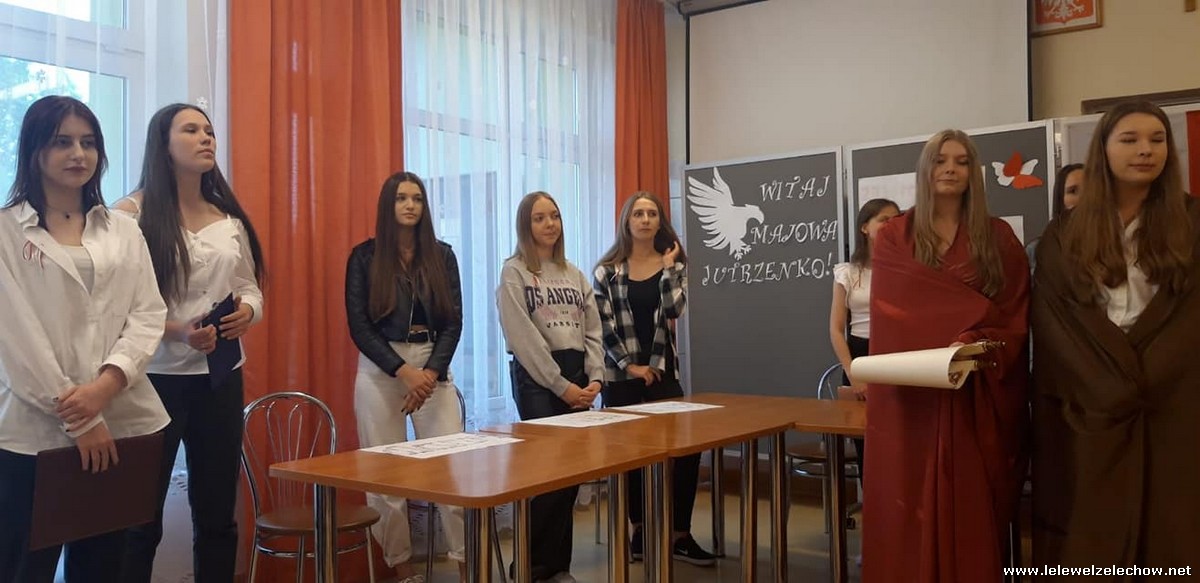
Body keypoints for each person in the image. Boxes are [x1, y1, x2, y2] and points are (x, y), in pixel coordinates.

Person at [0, 96, 169, 582]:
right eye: (62, 142)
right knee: (24, 567)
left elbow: (147, 313)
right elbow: (16, 338)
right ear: (34, 150)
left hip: (123, 421)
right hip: (32, 434)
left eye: (89, 142)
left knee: (105, 566)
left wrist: (106, 385)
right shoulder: (7, 231)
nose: (78, 153)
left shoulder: (123, 229)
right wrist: (81, 417)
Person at [1032, 101, 1200, 574]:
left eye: (1157, 139)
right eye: (1130, 140)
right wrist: (1108, 385)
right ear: (1103, 149)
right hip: (1090, 408)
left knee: (1173, 528)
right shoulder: (1064, 233)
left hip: (1174, 404)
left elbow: (1192, 317)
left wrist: (1151, 376)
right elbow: (1055, 323)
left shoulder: (1193, 223)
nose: (1146, 150)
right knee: (1091, 535)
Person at [863, 129, 1030, 582]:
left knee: (974, 504)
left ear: (973, 172)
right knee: (910, 498)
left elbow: (1014, 313)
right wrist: (962, 325)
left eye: (961, 161)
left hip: (977, 390)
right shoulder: (895, 236)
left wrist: (976, 337)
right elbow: (896, 313)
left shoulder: (998, 236)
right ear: (925, 169)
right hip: (915, 398)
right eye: (940, 160)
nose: (951, 169)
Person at [116, 103, 266, 583]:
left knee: (218, 514)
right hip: (152, 379)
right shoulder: (129, 215)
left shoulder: (229, 218)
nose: (206, 138)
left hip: (220, 377)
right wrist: (177, 330)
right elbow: (114, 306)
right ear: (163, 144)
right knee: (140, 519)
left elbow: (250, 288)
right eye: (191, 130)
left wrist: (247, 312)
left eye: (209, 131)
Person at [345, 171, 466, 583]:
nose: (410, 205)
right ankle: (404, 571)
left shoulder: (442, 256)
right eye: (401, 198)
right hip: (381, 370)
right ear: (388, 205)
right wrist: (404, 372)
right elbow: (359, 326)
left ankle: (469, 566)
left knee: (453, 472)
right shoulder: (364, 258)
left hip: (432, 364)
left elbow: (453, 321)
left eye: (416, 198)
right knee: (385, 479)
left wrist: (428, 374)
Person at [592, 192, 715, 566]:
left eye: (651, 214)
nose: (645, 219)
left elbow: (675, 310)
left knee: (688, 448)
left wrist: (668, 268)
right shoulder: (607, 271)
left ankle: (679, 534)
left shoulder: (673, 264)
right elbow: (602, 325)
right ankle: (640, 530)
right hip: (621, 374)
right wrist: (630, 365)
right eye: (638, 214)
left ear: (660, 221)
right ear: (627, 221)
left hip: (663, 369)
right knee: (630, 455)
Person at [496, 191, 604, 583]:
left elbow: (593, 330)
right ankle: (527, 565)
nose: (550, 224)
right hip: (538, 380)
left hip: (577, 375)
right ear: (526, 225)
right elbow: (523, 338)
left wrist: (595, 378)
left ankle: (557, 565)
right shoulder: (514, 272)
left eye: (555, 216)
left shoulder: (573, 273)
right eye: (540, 218)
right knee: (548, 475)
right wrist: (560, 386)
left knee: (571, 475)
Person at [829, 198, 900, 483]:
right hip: (860, 355)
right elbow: (836, 329)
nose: (891, 225)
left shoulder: (904, 268)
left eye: (896, 220)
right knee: (866, 443)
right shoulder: (848, 272)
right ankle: (872, 505)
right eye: (884, 220)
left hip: (896, 356)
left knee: (898, 442)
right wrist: (852, 372)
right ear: (865, 227)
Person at [1026, 163, 1083, 269]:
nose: (1084, 197)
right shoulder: (1037, 250)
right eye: (1073, 191)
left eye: (1090, 189)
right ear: (1060, 198)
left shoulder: (1113, 244)